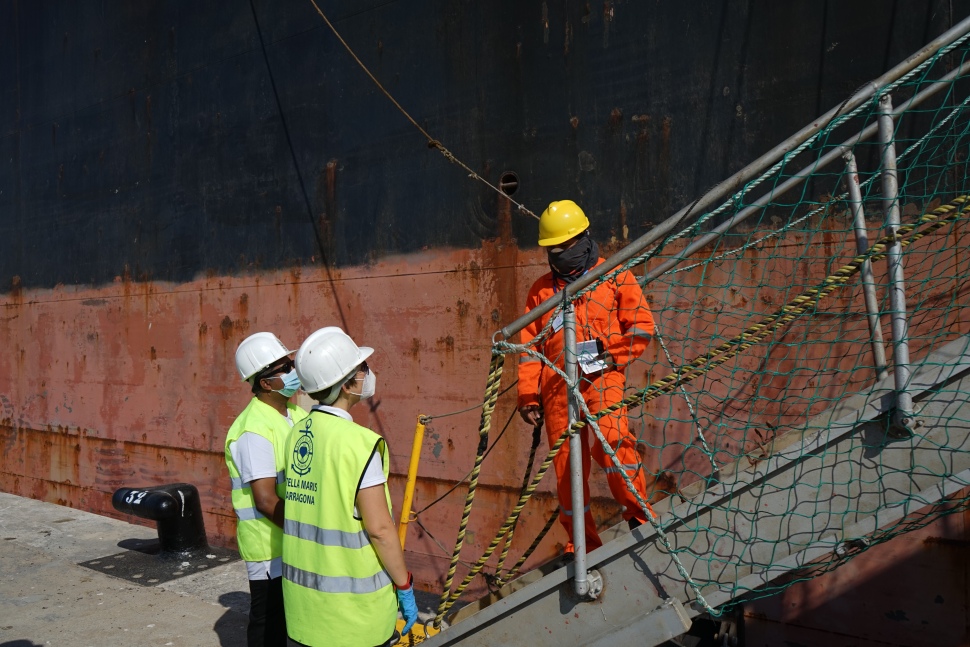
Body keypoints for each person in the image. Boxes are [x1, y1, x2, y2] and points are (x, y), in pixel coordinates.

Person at [517, 199, 656, 556]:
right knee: (566, 469)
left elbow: (641, 327)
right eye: (552, 249)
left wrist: (614, 357)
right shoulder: (541, 291)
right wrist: (528, 395)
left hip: (602, 377)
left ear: (582, 239)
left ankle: (640, 517)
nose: (558, 254)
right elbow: (529, 348)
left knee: (612, 443)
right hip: (556, 388)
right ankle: (581, 544)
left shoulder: (614, 275)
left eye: (564, 247)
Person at [282, 327, 418, 647]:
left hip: (302, 611)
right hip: (352, 621)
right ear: (348, 384)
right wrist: (405, 585)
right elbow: (381, 530)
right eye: (363, 369)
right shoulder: (360, 445)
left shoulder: (296, 434)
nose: (368, 375)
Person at [226, 332, 309, 647]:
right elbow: (264, 500)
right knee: (268, 623)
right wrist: (305, 532)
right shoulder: (253, 430)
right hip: (268, 546)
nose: (293, 371)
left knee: (288, 620)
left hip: (289, 540)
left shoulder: (296, 415)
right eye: (285, 367)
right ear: (265, 382)